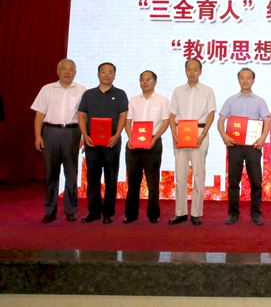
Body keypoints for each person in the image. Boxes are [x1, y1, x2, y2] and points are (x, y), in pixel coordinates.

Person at [31, 59, 87, 223]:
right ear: (58, 71)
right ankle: (50, 210)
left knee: (71, 173)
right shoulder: (47, 89)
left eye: (71, 69)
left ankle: (71, 210)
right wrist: (38, 136)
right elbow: (39, 114)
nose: (67, 72)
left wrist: (84, 136)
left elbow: (85, 116)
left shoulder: (82, 90)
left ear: (75, 73)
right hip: (51, 132)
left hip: (72, 132)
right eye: (64, 69)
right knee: (50, 173)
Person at [217, 68, 270, 226]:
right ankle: (233, 213)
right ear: (238, 80)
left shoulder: (260, 101)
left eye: (248, 78)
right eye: (242, 78)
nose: (245, 80)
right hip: (235, 146)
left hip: (253, 146)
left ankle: (256, 213)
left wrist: (262, 138)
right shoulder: (231, 100)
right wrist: (224, 135)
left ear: (253, 80)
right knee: (234, 182)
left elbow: (266, 121)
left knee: (256, 182)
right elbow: (221, 120)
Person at [77, 62, 128, 224]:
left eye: (110, 72)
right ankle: (93, 212)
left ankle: (108, 213)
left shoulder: (120, 94)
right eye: (103, 72)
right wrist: (85, 135)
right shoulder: (88, 94)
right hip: (92, 140)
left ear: (114, 75)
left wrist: (117, 135)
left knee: (111, 178)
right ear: (98, 74)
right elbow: (81, 115)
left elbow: (123, 116)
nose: (107, 75)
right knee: (92, 178)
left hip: (112, 140)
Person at [168, 59, 216, 226]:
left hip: (199, 134)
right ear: (185, 71)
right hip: (180, 134)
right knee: (180, 175)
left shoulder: (207, 91)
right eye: (189, 69)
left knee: (198, 175)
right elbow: (172, 115)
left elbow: (211, 114)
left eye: (195, 69)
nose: (192, 72)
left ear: (200, 72)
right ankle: (180, 213)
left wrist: (203, 134)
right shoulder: (178, 91)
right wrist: (174, 134)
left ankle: (196, 213)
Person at [123, 70, 170, 224]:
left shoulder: (162, 100)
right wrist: (131, 138)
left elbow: (165, 122)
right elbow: (128, 121)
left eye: (148, 79)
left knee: (153, 181)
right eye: (142, 79)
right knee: (133, 182)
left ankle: (153, 214)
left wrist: (155, 138)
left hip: (152, 143)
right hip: (134, 144)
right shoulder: (133, 100)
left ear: (155, 82)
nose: (145, 82)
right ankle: (131, 214)